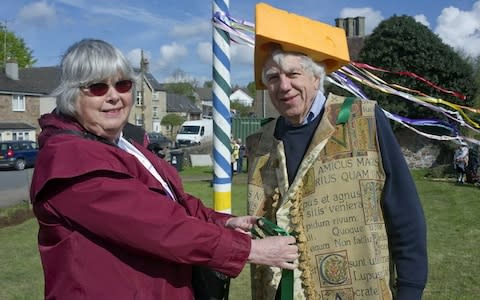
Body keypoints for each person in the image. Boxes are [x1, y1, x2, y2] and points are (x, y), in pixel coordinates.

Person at [29, 39, 298, 299]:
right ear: (72, 95)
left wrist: (223, 221)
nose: (114, 96)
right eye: (98, 87)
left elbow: (171, 201)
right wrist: (248, 250)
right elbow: (159, 226)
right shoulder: (72, 160)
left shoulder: (124, 145)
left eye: (122, 85)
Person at [246, 4, 427, 300]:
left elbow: (404, 211)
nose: (283, 86)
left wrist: (410, 289)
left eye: (293, 74)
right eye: (273, 78)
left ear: (317, 78)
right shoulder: (261, 142)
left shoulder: (364, 119)